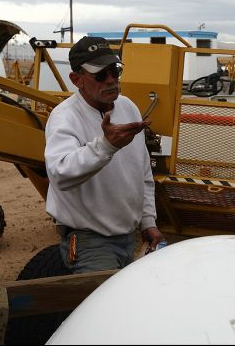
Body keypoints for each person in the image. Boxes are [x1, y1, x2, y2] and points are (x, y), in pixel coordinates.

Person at [44, 36, 163, 273]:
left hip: (128, 238)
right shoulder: (65, 117)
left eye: (114, 71)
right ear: (76, 80)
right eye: (100, 75)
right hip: (90, 242)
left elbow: (142, 172)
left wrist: (148, 220)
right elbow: (60, 174)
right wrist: (106, 146)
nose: (111, 80)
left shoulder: (128, 107)